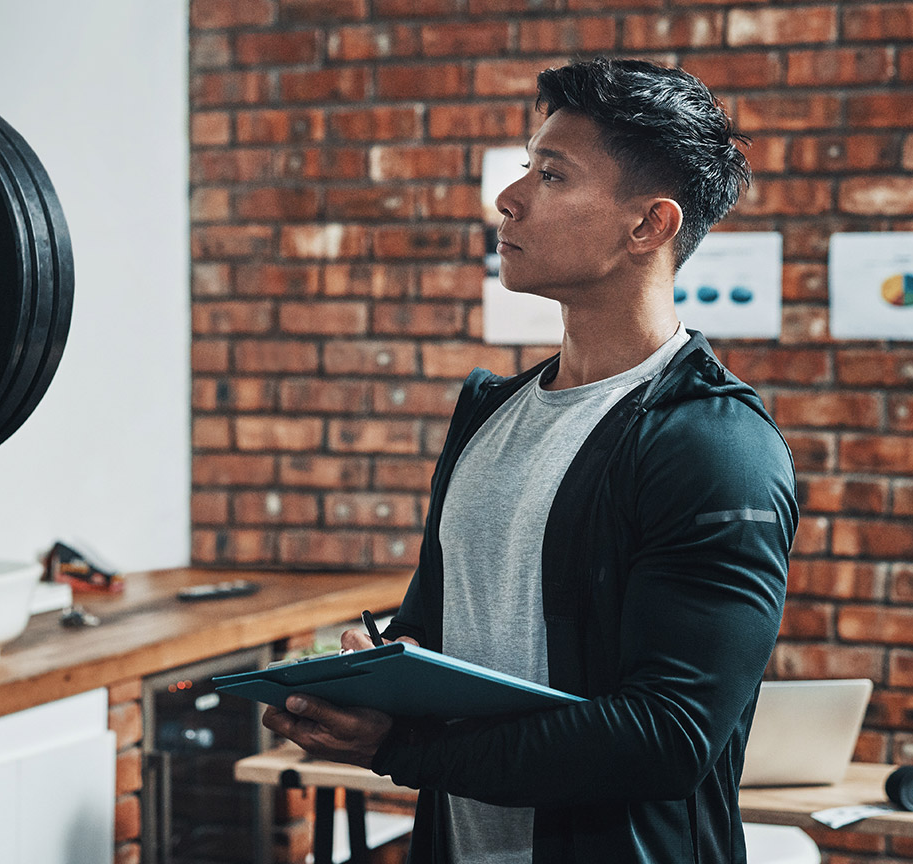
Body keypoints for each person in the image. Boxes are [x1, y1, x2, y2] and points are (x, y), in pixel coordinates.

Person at [262, 57, 798, 864]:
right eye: (525, 167)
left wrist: (398, 748)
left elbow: (667, 736)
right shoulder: (488, 411)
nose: (509, 199)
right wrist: (368, 682)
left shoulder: (715, 446)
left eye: (551, 174)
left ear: (648, 226)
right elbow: (433, 634)